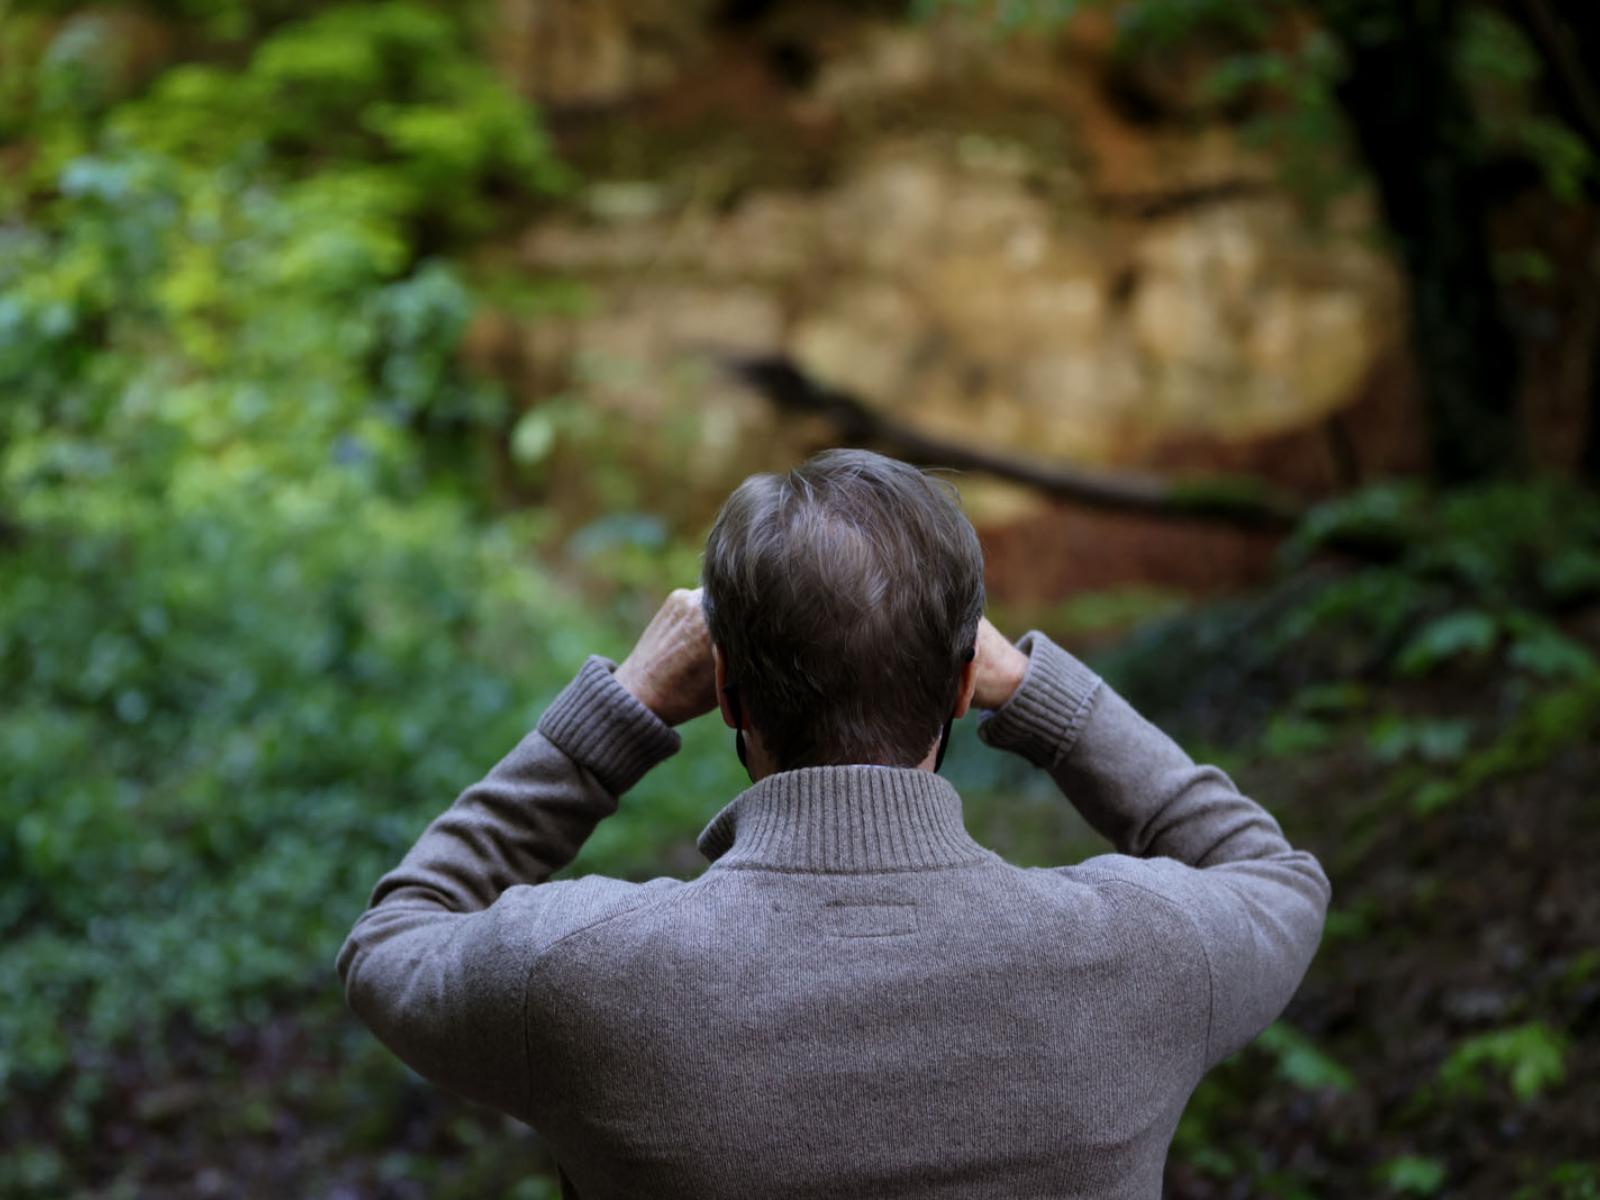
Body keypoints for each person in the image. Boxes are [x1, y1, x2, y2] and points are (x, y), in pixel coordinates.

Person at [337, 448, 1330, 1199]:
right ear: (958, 687)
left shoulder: (575, 973)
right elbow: (1271, 873)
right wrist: (1034, 689)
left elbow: (395, 934)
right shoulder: (1144, 955)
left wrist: (624, 704)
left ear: (722, 689)